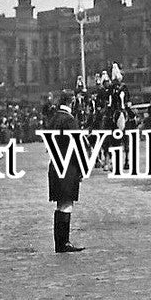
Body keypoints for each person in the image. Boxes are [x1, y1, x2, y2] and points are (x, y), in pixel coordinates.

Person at [47, 91, 84, 253]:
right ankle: (64, 243)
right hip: (68, 166)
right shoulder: (69, 120)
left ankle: (60, 243)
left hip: (55, 164)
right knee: (67, 203)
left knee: (60, 204)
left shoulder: (54, 118)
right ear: (72, 101)